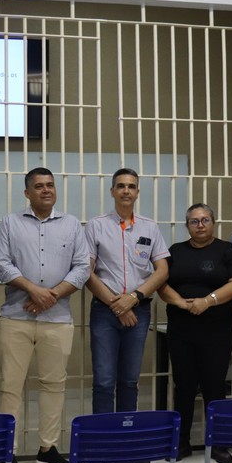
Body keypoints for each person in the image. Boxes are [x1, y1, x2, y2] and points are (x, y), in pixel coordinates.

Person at [0, 169, 90, 463]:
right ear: (27, 193)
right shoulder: (10, 223)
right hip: (16, 316)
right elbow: (1, 262)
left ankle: (47, 449)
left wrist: (52, 295)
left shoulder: (72, 224)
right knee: (11, 385)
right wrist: (34, 290)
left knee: (54, 385)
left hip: (57, 318)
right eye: (38, 186)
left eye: (50, 185)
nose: (46, 190)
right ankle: (6, 450)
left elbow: (82, 267)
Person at [157, 203, 232, 463]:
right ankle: (181, 443)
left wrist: (208, 301)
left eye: (205, 220)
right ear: (187, 225)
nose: (200, 225)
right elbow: (161, 283)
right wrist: (181, 302)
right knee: (183, 385)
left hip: (217, 329)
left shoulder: (226, 250)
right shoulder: (175, 251)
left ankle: (218, 444)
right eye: (194, 221)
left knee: (214, 385)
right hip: (182, 328)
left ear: (213, 222)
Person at [83, 169, 169, 421]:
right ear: (112, 191)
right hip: (104, 311)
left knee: (130, 380)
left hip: (139, 311)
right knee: (103, 381)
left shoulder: (150, 227)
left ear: (137, 192)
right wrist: (117, 305)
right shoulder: (96, 225)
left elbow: (162, 270)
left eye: (131, 186)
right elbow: (86, 271)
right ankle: (102, 437)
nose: (126, 191)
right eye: (120, 186)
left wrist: (133, 298)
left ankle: (126, 434)